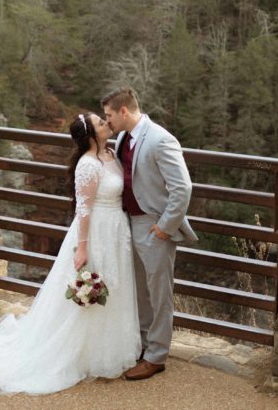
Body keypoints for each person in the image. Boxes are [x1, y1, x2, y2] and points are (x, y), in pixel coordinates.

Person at [0, 113, 139, 394]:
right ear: (91, 134)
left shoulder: (111, 154)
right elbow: (83, 209)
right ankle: (78, 353)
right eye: (100, 122)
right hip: (97, 233)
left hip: (117, 232)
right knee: (93, 287)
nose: (106, 123)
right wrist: (82, 247)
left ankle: (107, 349)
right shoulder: (87, 165)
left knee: (114, 285)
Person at [101, 87, 197, 381]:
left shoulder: (161, 139)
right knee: (139, 290)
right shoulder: (121, 140)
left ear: (124, 111)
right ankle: (142, 346)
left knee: (159, 293)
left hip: (154, 226)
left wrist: (165, 227)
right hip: (128, 224)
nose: (108, 122)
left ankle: (156, 356)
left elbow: (183, 188)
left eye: (109, 115)